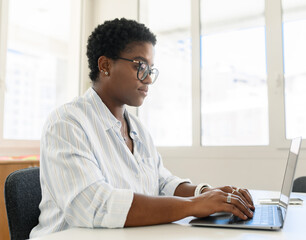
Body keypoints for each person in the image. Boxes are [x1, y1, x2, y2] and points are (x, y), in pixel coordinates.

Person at [30, 18, 254, 238]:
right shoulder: (67, 123)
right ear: (105, 65)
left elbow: (161, 182)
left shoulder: (136, 127)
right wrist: (195, 205)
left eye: (151, 69)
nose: (147, 79)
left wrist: (208, 193)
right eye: (140, 66)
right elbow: (96, 206)